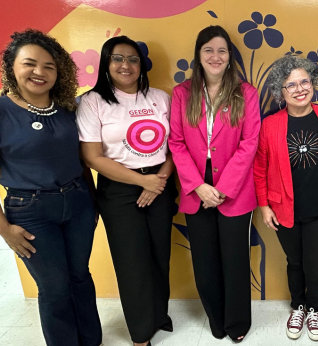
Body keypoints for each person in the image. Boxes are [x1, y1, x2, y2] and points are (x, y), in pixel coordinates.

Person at [0, 29, 102, 346]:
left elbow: (83, 160)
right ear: (10, 68)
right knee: (54, 287)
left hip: (79, 204)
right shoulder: (2, 111)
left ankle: (91, 340)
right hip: (30, 214)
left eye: (49, 66)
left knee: (80, 276)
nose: (40, 72)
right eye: (30, 64)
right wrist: (4, 229)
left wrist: (93, 204)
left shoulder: (69, 109)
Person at [77, 36, 178, 346]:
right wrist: (142, 182)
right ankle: (140, 332)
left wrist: (158, 179)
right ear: (107, 64)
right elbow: (92, 157)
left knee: (160, 254)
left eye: (133, 59)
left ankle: (159, 315)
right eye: (118, 58)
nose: (126, 65)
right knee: (131, 260)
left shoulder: (160, 97)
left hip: (161, 182)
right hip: (119, 190)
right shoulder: (92, 101)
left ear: (141, 65)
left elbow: (177, 146)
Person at [168, 25, 260, 342]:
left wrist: (222, 188)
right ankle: (216, 319)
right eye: (208, 50)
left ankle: (237, 325)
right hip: (196, 189)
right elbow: (176, 144)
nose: (215, 56)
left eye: (222, 50)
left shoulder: (246, 93)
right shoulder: (182, 94)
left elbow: (250, 143)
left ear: (230, 56)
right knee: (205, 263)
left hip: (232, 188)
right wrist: (197, 185)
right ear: (198, 55)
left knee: (234, 261)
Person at [254, 55, 318, 341]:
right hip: (284, 210)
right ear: (280, 93)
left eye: (304, 81)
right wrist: (264, 206)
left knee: (315, 265)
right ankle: (299, 306)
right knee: (294, 262)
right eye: (290, 85)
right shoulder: (270, 126)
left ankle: (314, 309)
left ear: (313, 83)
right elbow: (259, 168)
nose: (299, 89)